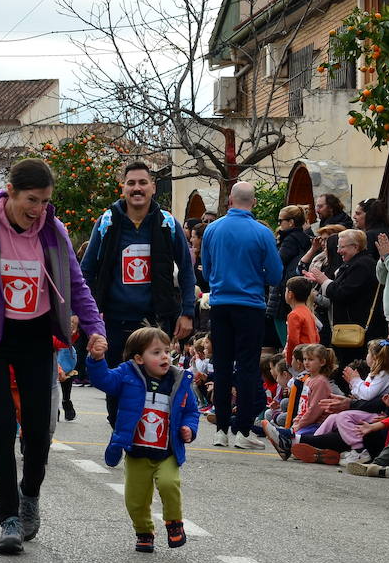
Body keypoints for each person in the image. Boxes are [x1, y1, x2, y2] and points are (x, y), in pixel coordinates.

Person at [0, 158, 105, 555]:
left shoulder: (52, 231)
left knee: (37, 430)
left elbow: (76, 283)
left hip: (35, 334)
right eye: (32, 200)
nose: (39, 209)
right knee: (2, 425)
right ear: (10, 192)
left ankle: (30, 493)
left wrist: (95, 328)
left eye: (46, 201)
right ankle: (9, 519)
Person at [80, 160, 195, 423]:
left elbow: (187, 271)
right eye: (131, 183)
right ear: (123, 188)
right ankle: (118, 426)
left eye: (143, 182)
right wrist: (88, 312)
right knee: (117, 385)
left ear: (153, 187)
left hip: (155, 320)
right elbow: (86, 270)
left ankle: (147, 439)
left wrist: (187, 312)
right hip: (114, 319)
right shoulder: (107, 222)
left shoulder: (168, 223)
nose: (137, 188)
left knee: (154, 383)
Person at [89, 326, 198, 553]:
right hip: (137, 451)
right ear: (139, 358)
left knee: (170, 483)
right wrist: (96, 359)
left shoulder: (178, 381)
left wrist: (189, 427)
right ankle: (144, 531)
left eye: (167, 351)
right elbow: (104, 380)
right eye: (156, 352)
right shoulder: (127, 374)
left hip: (167, 451)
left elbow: (191, 411)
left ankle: (174, 522)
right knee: (136, 500)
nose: (165, 357)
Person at [198, 181, 282, 448]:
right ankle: (243, 431)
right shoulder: (262, 232)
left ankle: (221, 428)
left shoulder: (212, 229)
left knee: (221, 366)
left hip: (221, 302)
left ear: (230, 201)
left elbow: (207, 269)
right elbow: (277, 274)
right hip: (250, 304)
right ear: (254, 203)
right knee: (247, 367)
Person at [305, 228, 382, 370]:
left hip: (356, 331)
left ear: (355, 247)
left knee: (351, 369)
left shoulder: (362, 265)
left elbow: (342, 293)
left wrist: (324, 281)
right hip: (349, 330)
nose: (339, 251)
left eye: (342, 247)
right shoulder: (355, 263)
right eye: (338, 247)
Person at [268, 205, 313, 346]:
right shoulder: (305, 238)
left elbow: (277, 263)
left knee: (288, 341)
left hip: (284, 293)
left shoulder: (289, 240)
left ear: (291, 222)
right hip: (297, 291)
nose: (279, 224)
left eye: (280, 220)